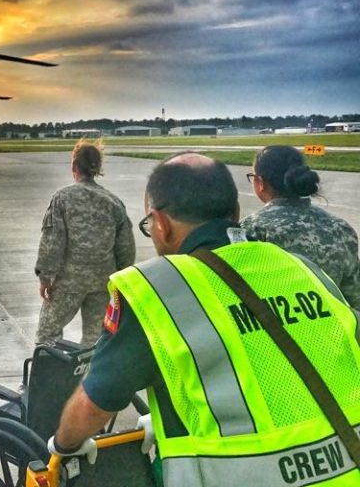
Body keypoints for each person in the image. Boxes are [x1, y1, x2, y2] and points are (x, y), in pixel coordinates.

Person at [49, 153, 360, 486]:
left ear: (161, 223)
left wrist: (63, 445)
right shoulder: (300, 268)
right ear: (237, 213)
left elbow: (95, 405)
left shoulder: (157, 289)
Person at [34, 140, 135, 347]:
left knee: (47, 335)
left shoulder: (63, 198)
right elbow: (125, 248)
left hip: (68, 282)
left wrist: (45, 276)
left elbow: (53, 241)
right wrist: (121, 281)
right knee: (95, 340)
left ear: (74, 167)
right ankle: (90, 378)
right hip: (101, 282)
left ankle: (49, 378)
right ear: (97, 169)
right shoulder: (113, 202)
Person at [241, 145, 360, 310]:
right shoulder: (341, 228)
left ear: (260, 183)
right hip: (334, 329)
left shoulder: (252, 228)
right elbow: (355, 297)